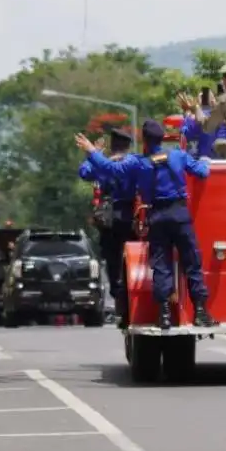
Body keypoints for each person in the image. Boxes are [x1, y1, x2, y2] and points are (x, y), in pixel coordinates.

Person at [75, 121, 216, 330]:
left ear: (145, 141)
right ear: (161, 138)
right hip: (179, 214)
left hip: (156, 215)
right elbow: (203, 172)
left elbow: (109, 168)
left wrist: (92, 152)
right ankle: (201, 312)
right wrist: (204, 157)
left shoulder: (138, 163)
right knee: (192, 262)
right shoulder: (178, 155)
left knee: (161, 266)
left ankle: (165, 314)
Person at [79, 128, 137, 323]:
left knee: (112, 262)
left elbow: (84, 172)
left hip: (109, 221)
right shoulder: (134, 163)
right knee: (132, 259)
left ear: (112, 146)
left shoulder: (102, 165)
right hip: (130, 218)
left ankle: (119, 297)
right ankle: (131, 297)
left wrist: (93, 154)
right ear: (128, 146)